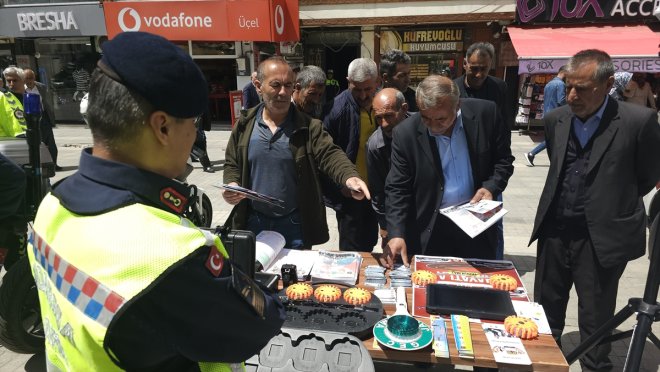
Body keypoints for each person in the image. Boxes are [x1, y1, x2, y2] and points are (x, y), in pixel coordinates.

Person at [27, 31, 285, 371]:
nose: (194, 135)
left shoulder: (53, 205)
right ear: (162, 128)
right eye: (193, 123)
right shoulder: (165, 254)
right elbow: (258, 325)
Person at [529, 49, 660, 371]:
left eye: (583, 88)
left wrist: (609, 203)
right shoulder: (556, 119)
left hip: (601, 237)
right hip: (555, 231)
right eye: (569, 85)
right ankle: (545, 362)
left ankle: (594, 365)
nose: (572, 95)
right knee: (546, 309)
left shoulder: (637, 121)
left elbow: (646, 176)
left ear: (608, 84)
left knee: (596, 314)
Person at [223, 56, 370, 250]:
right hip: (253, 221)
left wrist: (349, 177)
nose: (283, 92)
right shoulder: (244, 125)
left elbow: (330, 153)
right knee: (255, 276)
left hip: (295, 224)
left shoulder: (309, 126)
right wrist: (232, 185)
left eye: (288, 85)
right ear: (258, 85)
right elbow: (232, 163)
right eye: (275, 85)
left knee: (296, 280)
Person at [383, 75, 514, 268]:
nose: (434, 127)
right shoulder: (405, 134)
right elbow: (397, 188)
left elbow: (503, 161)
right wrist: (396, 233)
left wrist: (491, 187)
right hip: (430, 227)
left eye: (441, 119)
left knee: (475, 290)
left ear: (457, 106)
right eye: (426, 118)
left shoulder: (486, 114)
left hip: (476, 225)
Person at [453, 41, 509, 260]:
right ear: (465, 64)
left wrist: (498, 172)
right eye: (473, 68)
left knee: (493, 224)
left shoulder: (499, 88)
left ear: (491, 66)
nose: (478, 74)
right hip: (462, 163)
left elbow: (504, 128)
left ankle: (494, 262)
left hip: (489, 165)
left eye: (483, 69)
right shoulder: (453, 88)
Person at [323, 58, 380, 252]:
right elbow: (324, 154)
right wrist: (341, 187)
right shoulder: (335, 110)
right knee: (352, 247)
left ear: (377, 82)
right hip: (350, 194)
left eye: (368, 89)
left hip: (378, 190)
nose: (363, 95)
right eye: (357, 89)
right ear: (348, 81)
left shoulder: (384, 105)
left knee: (371, 240)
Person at [366, 88, 408, 248]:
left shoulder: (423, 126)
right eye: (378, 118)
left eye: (389, 116)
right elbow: (377, 191)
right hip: (395, 215)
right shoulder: (375, 146)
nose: (384, 124)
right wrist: (384, 225)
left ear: (404, 109)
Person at [524, 65, 567, 167]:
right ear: (565, 72)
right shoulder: (560, 84)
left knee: (554, 138)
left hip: (547, 115)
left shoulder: (549, 84)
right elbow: (561, 101)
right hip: (556, 115)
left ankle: (554, 160)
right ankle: (532, 153)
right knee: (554, 138)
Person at [24, 68, 61, 171]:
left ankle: (54, 164)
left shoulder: (41, 87)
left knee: (51, 143)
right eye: (26, 78)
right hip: (30, 119)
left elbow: (45, 101)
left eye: (31, 78)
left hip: (43, 116)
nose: (29, 80)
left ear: (34, 78)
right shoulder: (22, 89)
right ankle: (41, 164)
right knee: (38, 143)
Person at [0, 67, 27, 138]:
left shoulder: (30, 96)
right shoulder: (3, 97)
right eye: (8, 81)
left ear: (23, 80)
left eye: (15, 80)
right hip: (10, 140)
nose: (11, 83)